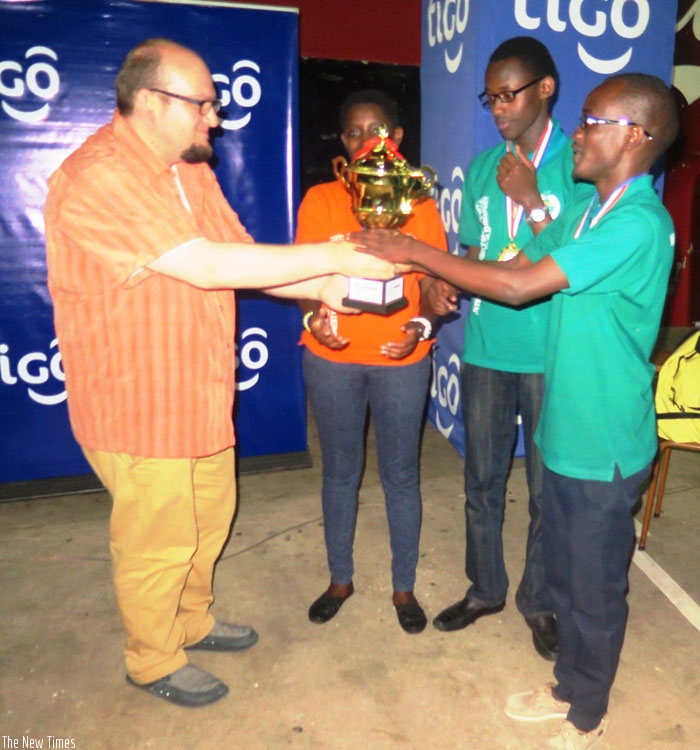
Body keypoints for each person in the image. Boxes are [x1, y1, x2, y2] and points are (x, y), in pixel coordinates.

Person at [43, 38, 396, 709]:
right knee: (158, 537)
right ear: (150, 101)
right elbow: (203, 265)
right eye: (203, 104)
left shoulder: (187, 168)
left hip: (198, 390)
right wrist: (338, 253)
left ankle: (192, 620)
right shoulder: (98, 177)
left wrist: (323, 285)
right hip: (139, 403)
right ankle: (151, 657)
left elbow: (238, 252)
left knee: (210, 516)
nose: (216, 117)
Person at [353, 72, 678, 749]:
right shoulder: (593, 206)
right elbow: (522, 250)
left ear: (637, 136)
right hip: (566, 426)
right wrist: (504, 223)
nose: (580, 132)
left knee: (593, 590)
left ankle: (586, 715)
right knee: (563, 574)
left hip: (604, 441)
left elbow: (522, 283)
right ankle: (566, 687)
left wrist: (413, 251)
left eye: (594, 120)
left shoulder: (639, 223)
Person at [431, 37, 581, 662]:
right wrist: (446, 277)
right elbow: (474, 251)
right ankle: (485, 587)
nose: (497, 107)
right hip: (489, 348)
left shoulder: (581, 162)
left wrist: (531, 198)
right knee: (481, 479)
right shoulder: (487, 161)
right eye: (490, 96)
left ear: (544, 89)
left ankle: (539, 600)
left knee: (548, 490)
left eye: (508, 93)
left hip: (549, 353)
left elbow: (571, 253)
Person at [296, 90, 451, 634]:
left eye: (378, 130)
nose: (368, 141)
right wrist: (313, 317)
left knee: (400, 477)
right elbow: (303, 279)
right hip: (330, 358)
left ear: (398, 138)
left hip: (402, 360)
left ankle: (403, 587)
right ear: (343, 143)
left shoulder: (420, 204)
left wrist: (423, 326)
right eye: (355, 133)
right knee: (340, 473)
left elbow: (436, 283)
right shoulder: (319, 199)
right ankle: (341, 579)